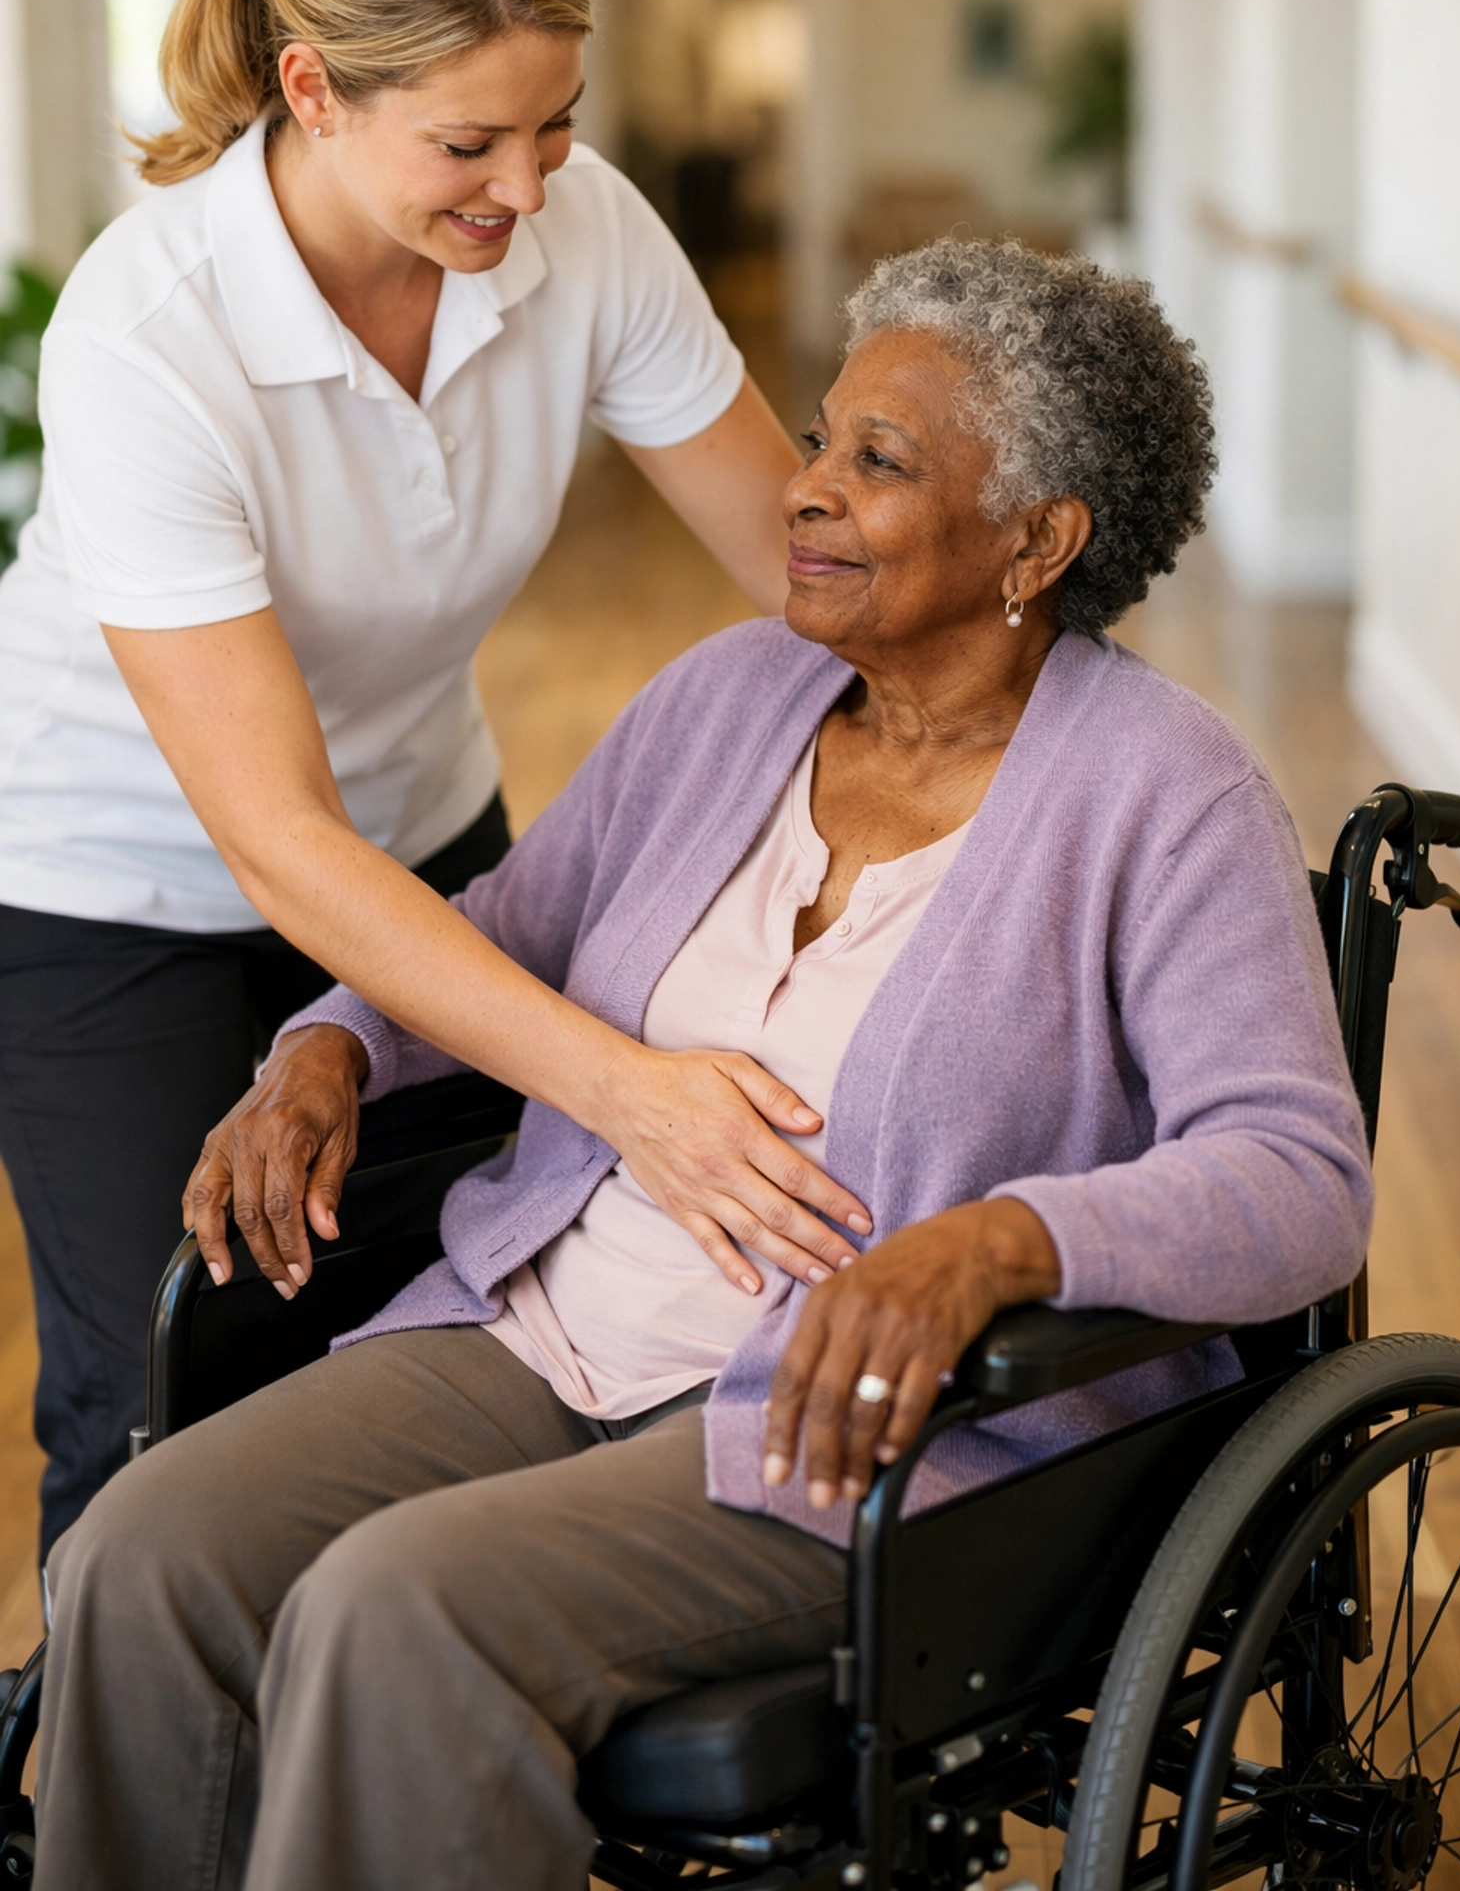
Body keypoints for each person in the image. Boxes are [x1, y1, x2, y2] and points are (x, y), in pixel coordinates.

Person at [36, 240, 1373, 1891]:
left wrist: (999, 1240)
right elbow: (499, 928)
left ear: (1038, 539)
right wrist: (326, 1044)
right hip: (545, 1327)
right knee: (143, 1552)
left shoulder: (1169, 794)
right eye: (820, 439)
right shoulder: (732, 696)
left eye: (875, 463)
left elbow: (1300, 1175)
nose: (800, 491)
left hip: (849, 1428)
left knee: (393, 1613)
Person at [0, 0, 866, 1559]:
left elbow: (806, 563)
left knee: (420, 1310)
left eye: (556, 127)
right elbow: (276, 838)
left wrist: (1072, 720)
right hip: (117, 885)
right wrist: (631, 1088)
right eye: (469, 144)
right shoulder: (146, 330)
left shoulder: (582, 230)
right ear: (310, 92)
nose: (528, 189)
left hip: (428, 830)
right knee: (162, 1394)